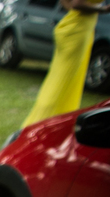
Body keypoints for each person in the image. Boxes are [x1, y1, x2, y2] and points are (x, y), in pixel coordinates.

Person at [21, 0, 110, 128]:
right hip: (78, 28)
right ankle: (45, 122)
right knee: (64, 80)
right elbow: (76, 4)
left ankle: (48, 119)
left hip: (77, 25)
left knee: (61, 79)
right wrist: (103, 9)